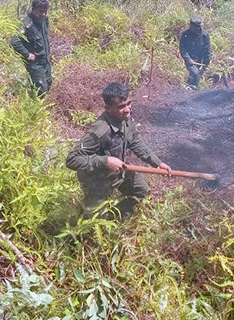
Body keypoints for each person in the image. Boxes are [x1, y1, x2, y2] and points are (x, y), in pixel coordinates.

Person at [66, 82, 172, 219]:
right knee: (92, 222)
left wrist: (157, 163)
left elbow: (136, 142)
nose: (127, 109)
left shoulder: (125, 119)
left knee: (141, 191)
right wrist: (105, 161)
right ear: (108, 108)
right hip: (98, 181)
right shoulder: (100, 131)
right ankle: (102, 217)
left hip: (120, 172)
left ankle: (116, 216)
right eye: (121, 106)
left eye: (129, 104)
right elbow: (72, 160)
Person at [10, 0, 52, 96]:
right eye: (40, 11)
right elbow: (14, 42)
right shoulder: (26, 23)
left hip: (46, 62)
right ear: (33, 10)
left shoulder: (44, 20)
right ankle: (37, 109)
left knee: (49, 84)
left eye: (45, 11)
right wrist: (28, 55)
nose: (43, 14)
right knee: (41, 91)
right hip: (36, 64)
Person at [179, 16, 211, 88]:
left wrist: (206, 64)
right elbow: (182, 48)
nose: (197, 29)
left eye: (198, 27)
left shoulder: (204, 35)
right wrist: (188, 59)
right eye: (195, 27)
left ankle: (189, 85)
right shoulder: (185, 35)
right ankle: (195, 92)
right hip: (190, 60)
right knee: (195, 73)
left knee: (196, 75)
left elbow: (207, 50)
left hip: (200, 60)